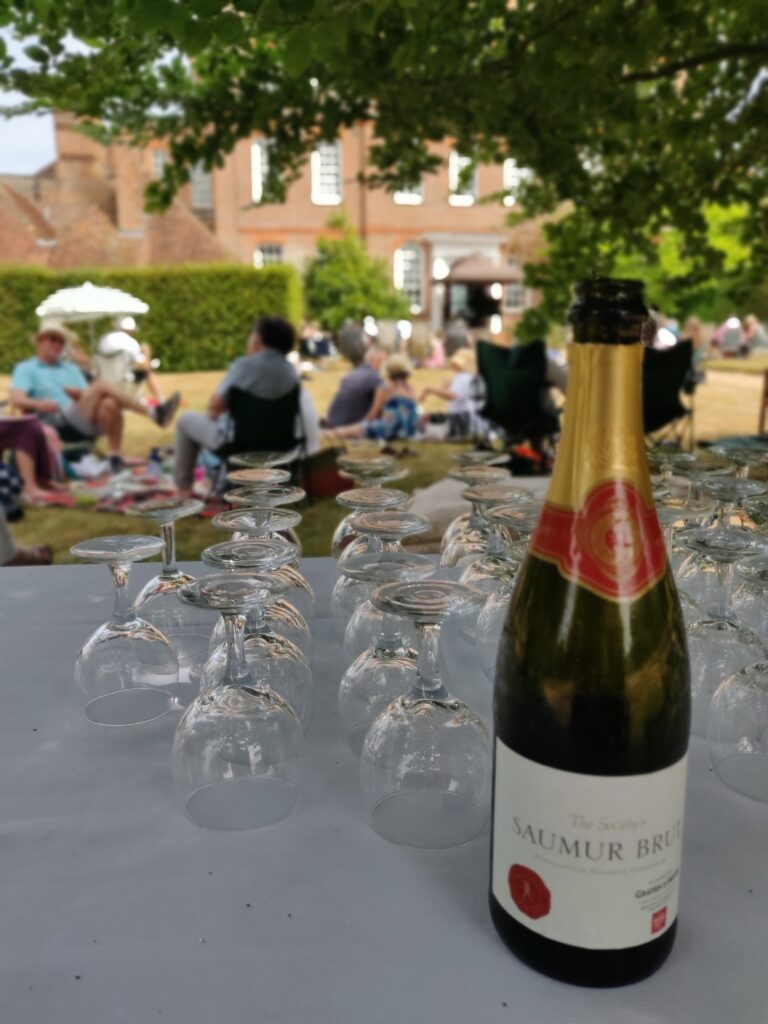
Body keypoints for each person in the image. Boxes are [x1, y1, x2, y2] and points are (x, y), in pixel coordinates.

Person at [173, 315, 320, 495]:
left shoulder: (243, 367)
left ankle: (183, 488)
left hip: (238, 445)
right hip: (282, 447)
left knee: (185, 420)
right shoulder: (291, 372)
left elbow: (215, 406)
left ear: (258, 338)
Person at [10, 321, 180, 473]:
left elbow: (88, 395)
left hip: (80, 416)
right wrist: (39, 404)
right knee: (103, 384)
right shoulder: (27, 368)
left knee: (109, 402)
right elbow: (17, 399)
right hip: (54, 420)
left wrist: (79, 395)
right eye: (53, 339)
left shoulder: (70, 369)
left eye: (61, 341)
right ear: (40, 341)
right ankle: (154, 413)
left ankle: (115, 456)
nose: (58, 344)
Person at [324, 354, 419, 447]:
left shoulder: (385, 389)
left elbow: (372, 414)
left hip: (390, 429)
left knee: (354, 429)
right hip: (409, 430)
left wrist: (361, 425)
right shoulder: (411, 390)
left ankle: (331, 434)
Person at [419, 348, 486, 438]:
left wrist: (431, 390)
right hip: (473, 420)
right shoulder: (471, 378)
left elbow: (453, 396)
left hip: (461, 419)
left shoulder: (462, 377)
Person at [95, 316, 163, 402]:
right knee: (148, 372)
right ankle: (160, 398)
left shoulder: (104, 339)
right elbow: (145, 366)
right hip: (123, 380)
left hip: (104, 378)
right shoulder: (131, 343)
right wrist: (147, 353)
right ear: (131, 330)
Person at [325, 345, 386, 427]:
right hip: (350, 425)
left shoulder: (351, 374)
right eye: (384, 361)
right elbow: (378, 407)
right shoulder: (375, 378)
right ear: (376, 360)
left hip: (333, 420)